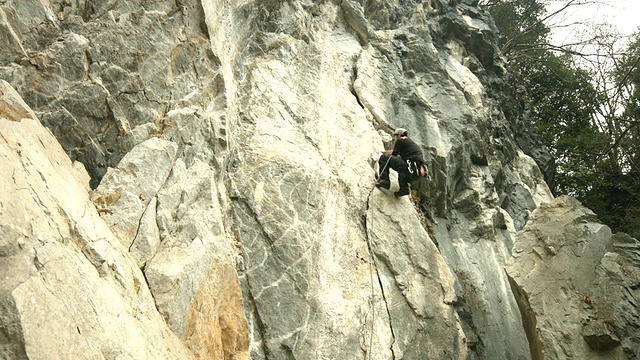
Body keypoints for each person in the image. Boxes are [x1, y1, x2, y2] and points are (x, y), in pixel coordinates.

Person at [376, 128, 426, 197]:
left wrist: (383, 152)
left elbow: (394, 154)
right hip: (415, 174)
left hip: (408, 167)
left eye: (395, 136)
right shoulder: (409, 143)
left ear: (399, 135)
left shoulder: (401, 140)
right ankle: (404, 188)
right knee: (402, 169)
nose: (395, 138)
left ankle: (385, 181)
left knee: (384, 158)